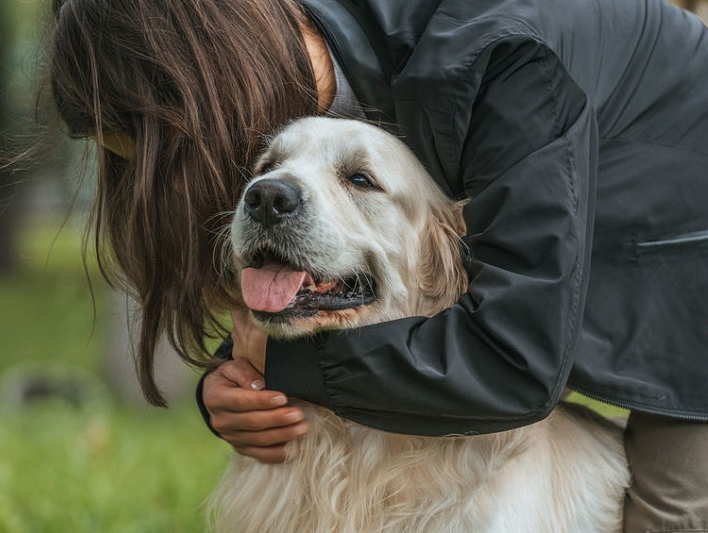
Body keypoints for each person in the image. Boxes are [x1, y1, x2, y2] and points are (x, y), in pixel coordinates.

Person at [44, 0, 708, 530]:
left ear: (211, 91)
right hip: (550, 254)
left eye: (173, 151)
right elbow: (345, 262)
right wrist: (241, 375)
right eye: (267, 166)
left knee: (670, 514)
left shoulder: (498, 59)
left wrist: (293, 368)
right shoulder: (315, 63)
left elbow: (512, 359)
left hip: (689, 249)